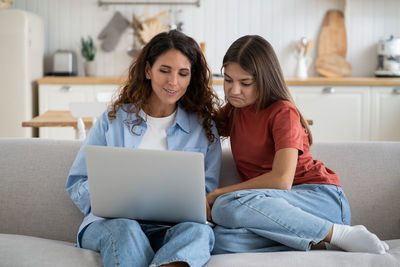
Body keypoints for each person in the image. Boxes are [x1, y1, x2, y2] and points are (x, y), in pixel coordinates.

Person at [207, 35, 389, 255]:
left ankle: (339, 234)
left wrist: (219, 193)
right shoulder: (234, 111)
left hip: (318, 200)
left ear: (264, 79)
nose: (234, 90)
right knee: (218, 241)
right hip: (276, 212)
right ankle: (319, 241)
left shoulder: (283, 112)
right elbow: (200, 125)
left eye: (245, 83)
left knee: (226, 206)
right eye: (228, 80)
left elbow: (281, 180)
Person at [66, 30, 221, 267]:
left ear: (191, 78)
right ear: (148, 70)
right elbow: (77, 182)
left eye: (183, 73)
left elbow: (206, 193)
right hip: (114, 224)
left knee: (199, 233)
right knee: (126, 228)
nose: (173, 82)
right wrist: (108, 195)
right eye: (164, 70)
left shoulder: (203, 127)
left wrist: (202, 202)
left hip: (172, 230)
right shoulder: (114, 119)